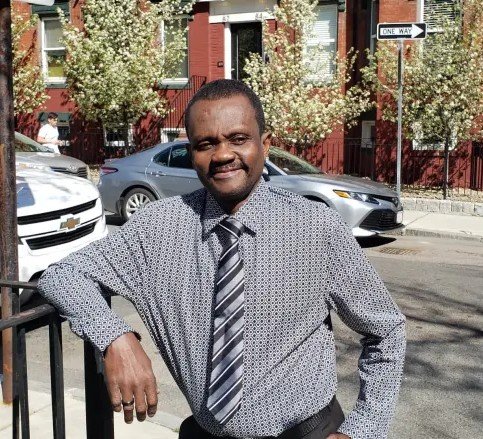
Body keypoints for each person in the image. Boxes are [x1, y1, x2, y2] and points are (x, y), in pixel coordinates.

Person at [38, 79, 406, 439]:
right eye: (206, 143)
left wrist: (362, 430)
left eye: (238, 139)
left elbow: (386, 330)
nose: (223, 154)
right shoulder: (157, 228)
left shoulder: (315, 227)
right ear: (192, 153)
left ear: (265, 144)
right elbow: (62, 275)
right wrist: (114, 337)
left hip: (309, 431)